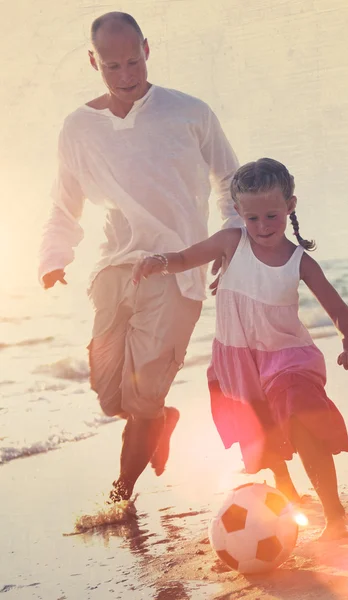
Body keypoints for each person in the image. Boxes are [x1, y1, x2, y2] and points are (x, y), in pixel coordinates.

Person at [38, 12, 242, 503]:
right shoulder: (78, 128)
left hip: (177, 267)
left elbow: (229, 180)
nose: (127, 75)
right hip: (112, 269)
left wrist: (230, 237)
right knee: (111, 396)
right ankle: (161, 420)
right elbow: (65, 201)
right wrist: (53, 256)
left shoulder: (189, 112)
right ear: (94, 62)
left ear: (147, 50)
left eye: (133, 61)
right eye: (113, 66)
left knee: (142, 396)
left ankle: (120, 495)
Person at [132, 158, 348, 540]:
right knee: (262, 437)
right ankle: (287, 498)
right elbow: (187, 258)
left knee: (305, 427)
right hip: (237, 361)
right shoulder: (230, 242)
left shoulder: (299, 261)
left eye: (272, 215)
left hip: (288, 358)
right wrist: (159, 262)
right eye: (252, 218)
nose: (263, 227)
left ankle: (335, 514)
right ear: (238, 213)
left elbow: (337, 308)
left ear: (290, 205)